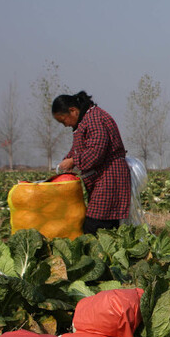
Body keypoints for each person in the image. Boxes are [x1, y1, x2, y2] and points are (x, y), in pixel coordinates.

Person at [52, 91, 131, 235]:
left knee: (95, 225)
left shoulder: (94, 118)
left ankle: (100, 255)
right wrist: (68, 159)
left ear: (73, 111)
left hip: (109, 178)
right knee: (106, 226)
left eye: (63, 120)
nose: (65, 125)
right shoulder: (85, 120)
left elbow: (96, 150)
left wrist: (74, 161)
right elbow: (79, 148)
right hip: (102, 178)